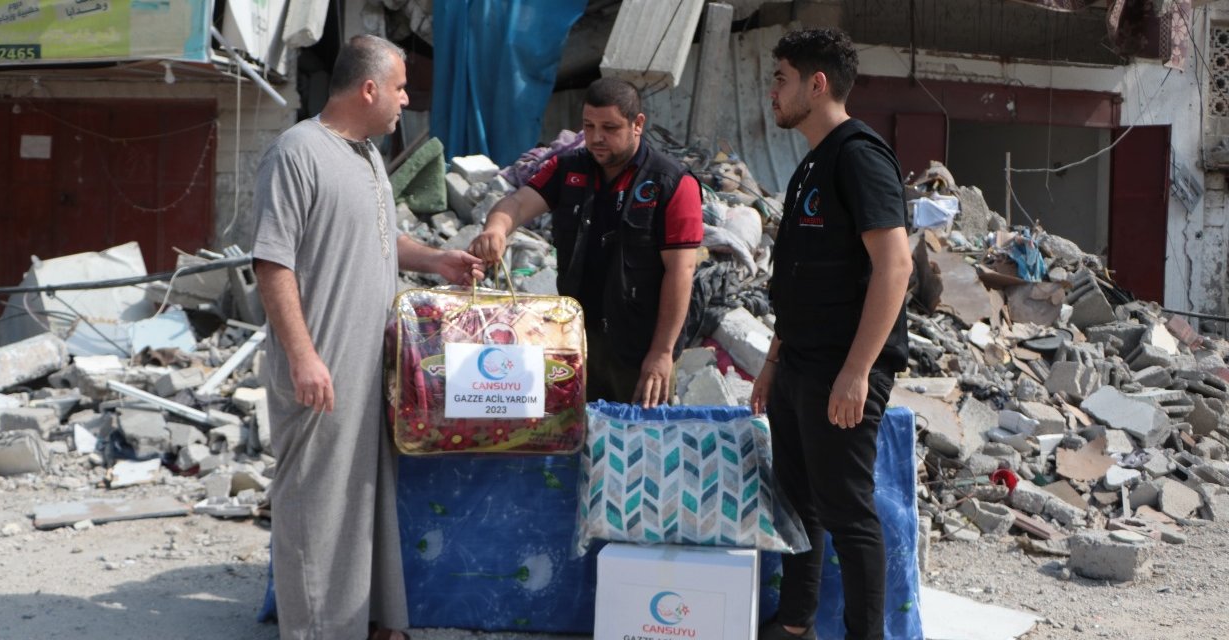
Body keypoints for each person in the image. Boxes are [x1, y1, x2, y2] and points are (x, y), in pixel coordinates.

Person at [252, 34, 483, 640]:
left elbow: (379, 239)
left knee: (363, 499)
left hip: (371, 364)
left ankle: (371, 621)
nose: (407, 99)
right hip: (322, 366)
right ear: (370, 87)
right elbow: (271, 263)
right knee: (315, 505)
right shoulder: (297, 151)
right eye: (402, 87)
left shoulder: (370, 157)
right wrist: (303, 357)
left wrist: (438, 261)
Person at [749, 28, 912, 640]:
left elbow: (894, 266)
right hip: (799, 365)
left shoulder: (858, 156)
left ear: (817, 85)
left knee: (847, 513)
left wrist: (857, 370)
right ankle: (795, 626)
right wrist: (772, 362)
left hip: (841, 369)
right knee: (800, 506)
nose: (772, 92)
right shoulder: (812, 164)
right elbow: (799, 278)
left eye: (781, 79)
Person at [468, 78, 703, 408]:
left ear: (638, 125)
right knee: (578, 440)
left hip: (639, 348)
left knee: (640, 445)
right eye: (589, 126)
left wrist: (662, 353)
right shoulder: (568, 169)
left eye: (609, 127)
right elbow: (517, 203)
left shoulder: (671, 183)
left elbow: (681, 272)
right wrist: (496, 228)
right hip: (577, 340)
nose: (596, 138)